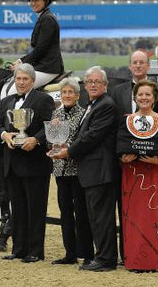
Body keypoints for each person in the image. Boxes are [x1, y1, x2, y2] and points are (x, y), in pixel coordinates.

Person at [51, 66, 118, 272]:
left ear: (105, 85)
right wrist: (64, 146)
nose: (93, 85)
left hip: (101, 170)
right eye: (89, 82)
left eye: (97, 82)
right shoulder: (92, 104)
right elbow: (83, 136)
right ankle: (101, 256)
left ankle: (106, 259)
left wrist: (68, 152)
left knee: (102, 217)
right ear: (85, 85)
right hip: (91, 171)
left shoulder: (105, 105)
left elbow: (92, 136)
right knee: (96, 217)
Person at [111, 49, 158, 261]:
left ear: (148, 66)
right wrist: (121, 155)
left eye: (142, 62)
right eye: (134, 62)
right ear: (129, 66)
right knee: (125, 208)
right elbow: (114, 127)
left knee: (152, 209)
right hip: (125, 165)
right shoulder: (116, 91)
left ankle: (153, 253)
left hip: (153, 164)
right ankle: (126, 254)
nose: (137, 66)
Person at [0, 63, 55, 263]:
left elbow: (50, 126)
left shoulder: (43, 99)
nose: (21, 82)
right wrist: (4, 135)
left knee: (35, 209)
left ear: (32, 81)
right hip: (12, 163)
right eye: (18, 79)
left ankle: (36, 251)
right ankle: (18, 249)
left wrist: (36, 139)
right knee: (18, 209)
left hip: (35, 163)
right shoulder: (6, 102)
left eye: (25, 79)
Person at [49, 78, 94, 266]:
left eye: (70, 93)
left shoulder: (83, 114)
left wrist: (66, 147)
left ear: (77, 95)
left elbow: (81, 141)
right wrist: (53, 144)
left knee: (82, 213)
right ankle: (70, 253)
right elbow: (51, 141)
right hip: (60, 171)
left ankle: (87, 253)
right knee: (65, 212)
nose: (66, 96)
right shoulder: (56, 113)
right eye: (64, 92)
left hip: (77, 170)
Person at [1, 0, 64, 98]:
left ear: (46, 0)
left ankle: (22, 116)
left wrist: (21, 63)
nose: (33, 3)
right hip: (42, 66)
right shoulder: (43, 17)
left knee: (13, 91)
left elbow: (40, 49)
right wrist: (20, 61)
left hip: (48, 68)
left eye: (37, 0)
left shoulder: (47, 19)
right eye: (31, 0)